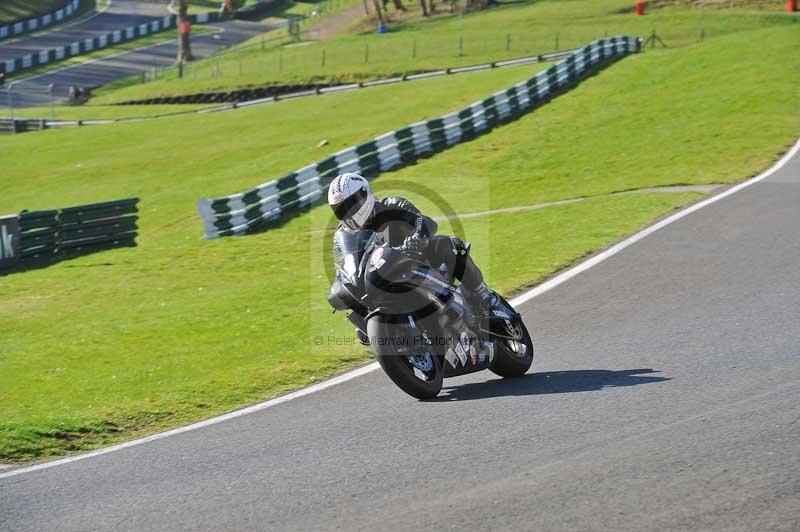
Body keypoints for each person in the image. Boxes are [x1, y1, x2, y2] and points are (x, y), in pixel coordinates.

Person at [327, 172, 496, 312]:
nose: (347, 213)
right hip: (381, 283)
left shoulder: (391, 205)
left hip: (417, 263)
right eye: (341, 210)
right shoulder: (344, 234)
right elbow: (346, 264)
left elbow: (422, 220)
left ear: (364, 195)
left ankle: (483, 293)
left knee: (448, 244)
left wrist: (417, 239)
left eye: (350, 206)